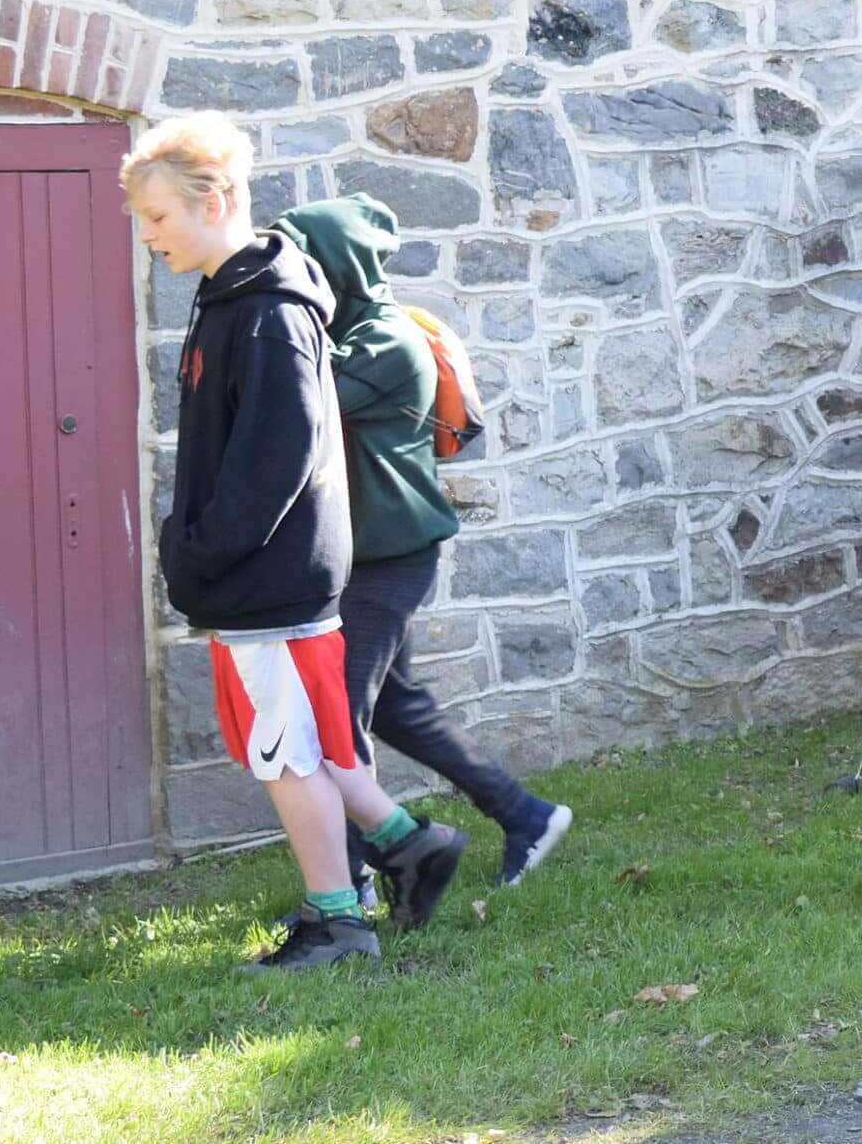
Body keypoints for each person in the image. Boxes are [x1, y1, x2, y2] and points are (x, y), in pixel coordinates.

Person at [124, 113, 468, 971]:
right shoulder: (230, 297)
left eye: (158, 217)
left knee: (286, 753)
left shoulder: (270, 311)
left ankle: (336, 923)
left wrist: (201, 551)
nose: (149, 236)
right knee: (301, 742)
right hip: (261, 576)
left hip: (266, 577)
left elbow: (274, 457)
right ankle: (411, 845)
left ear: (218, 199)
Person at [272, 195, 572, 899]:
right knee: (395, 707)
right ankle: (526, 814)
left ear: (337, 265)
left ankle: (352, 876)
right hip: (352, 562)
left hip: (389, 561)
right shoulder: (344, 332)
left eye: (304, 261)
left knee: (332, 720)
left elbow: (304, 405)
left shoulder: (386, 340)